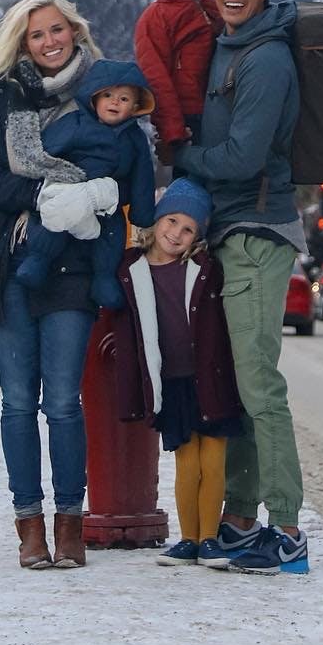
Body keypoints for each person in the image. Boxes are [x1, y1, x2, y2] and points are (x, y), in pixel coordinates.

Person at [0, 0, 118, 571]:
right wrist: (52, 194)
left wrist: (92, 194)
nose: (50, 41)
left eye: (57, 29)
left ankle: (70, 524)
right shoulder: (5, 98)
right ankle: (29, 526)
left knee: (63, 402)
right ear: (23, 43)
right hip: (10, 263)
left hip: (72, 266)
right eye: (37, 34)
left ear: (74, 31)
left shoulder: (98, 94)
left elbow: (113, 162)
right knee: (16, 403)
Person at [174, 0, 309, 575]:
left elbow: (243, 158)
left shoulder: (268, 59)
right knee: (236, 383)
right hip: (230, 232)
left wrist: (178, 153)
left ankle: (287, 529)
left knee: (259, 385)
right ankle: (239, 520)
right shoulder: (227, 45)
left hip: (257, 234)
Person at [114, 178, 243, 566]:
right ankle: (188, 539)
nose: (176, 233)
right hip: (171, 382)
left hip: (211, 377)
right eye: (172, 221)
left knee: (213, 461)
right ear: (157, 220)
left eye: (188, 229)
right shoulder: (131, 269)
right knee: (187, 461)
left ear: (196, 238)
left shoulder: (204, 269)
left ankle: (209, 539)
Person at [12, 59, 156, 309]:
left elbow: (142, 177)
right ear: (94, 98)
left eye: (124, 99)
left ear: (135, 107)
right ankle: (38, 260)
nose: (114, 102)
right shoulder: (75, 123)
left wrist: (142, 215)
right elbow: (48, 149)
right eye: (108, 95)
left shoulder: (135, 138)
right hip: (71, 190)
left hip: (107, 203)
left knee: (112, 236)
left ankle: (104, 279)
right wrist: (47, 179)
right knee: (53, 223)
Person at [134, 0, 221, 165]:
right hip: (186, 117)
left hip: (218, 109)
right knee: (193, 176)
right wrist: (172, 130)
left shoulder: (212, 9)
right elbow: (156, 77)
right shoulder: (155, 17)